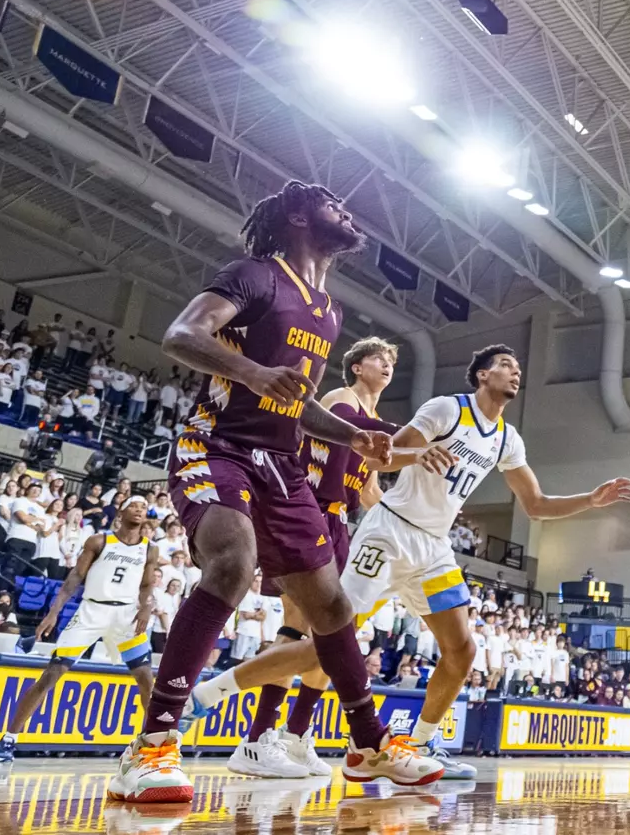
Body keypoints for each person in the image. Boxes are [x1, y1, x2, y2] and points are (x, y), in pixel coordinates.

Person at [107, 181, 441, 804]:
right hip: (218, 444)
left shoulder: (328, 309)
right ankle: (150, 745)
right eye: (328, 202)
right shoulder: (256, 275)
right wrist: (256, 373)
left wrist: (354, 436)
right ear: (296, 217)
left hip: (281, 462)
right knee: (233, 560)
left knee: (331, 606)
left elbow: (299, 402)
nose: (344, 208)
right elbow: (181, 335)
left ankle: (369, 745)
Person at [190, 343, 630, 781]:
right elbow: (378, 455)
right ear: (482, 375)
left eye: (518, 367)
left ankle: (419, 743)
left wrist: (590, 501)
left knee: (462, 650)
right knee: (326, 646)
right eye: (505, 365)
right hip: (390, 533)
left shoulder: (506, 439)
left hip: (434, 547)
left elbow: (535, 505)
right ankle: (208, 693)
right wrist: (419, 454)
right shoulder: (447, 409)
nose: (515, 372)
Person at [184, 336, 402, 778]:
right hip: (306, 510)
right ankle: (256, 740)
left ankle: (295, 737)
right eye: (379, 359)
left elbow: (367, 490)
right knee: (296, 628)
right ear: (357, 367)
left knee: (338, 635)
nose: (388, 366)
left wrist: (407, 520)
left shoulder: (372, 423)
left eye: (392, 362)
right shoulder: (339, 402)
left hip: (341, 520)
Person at [0, 497, 159, 762]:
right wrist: (54, 612)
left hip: (125, 614)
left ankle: (153, 744)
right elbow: (74, 579)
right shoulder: (99, 541)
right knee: (52, 674)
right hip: (92, 610)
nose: (139, 510)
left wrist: (147, 606)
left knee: (146, 679)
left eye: (142, 506)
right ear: (121, 510)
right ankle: (8, 739)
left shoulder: (150, 549)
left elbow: (147, 585)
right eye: (133, 505)